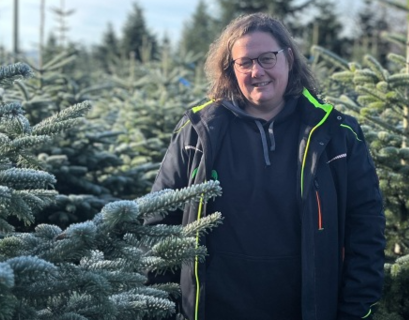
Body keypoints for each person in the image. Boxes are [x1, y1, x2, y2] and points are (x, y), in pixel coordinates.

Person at [146, 12, 385, 320]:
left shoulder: (335, 134)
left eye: (267, 58)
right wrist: (159, 308)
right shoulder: (199, 131)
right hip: (214, 309)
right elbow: (158, 222)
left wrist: (355, 311)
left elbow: (365, 230)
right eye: (244, 62)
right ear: (231, 70)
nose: (256, 71)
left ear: (288, 58)